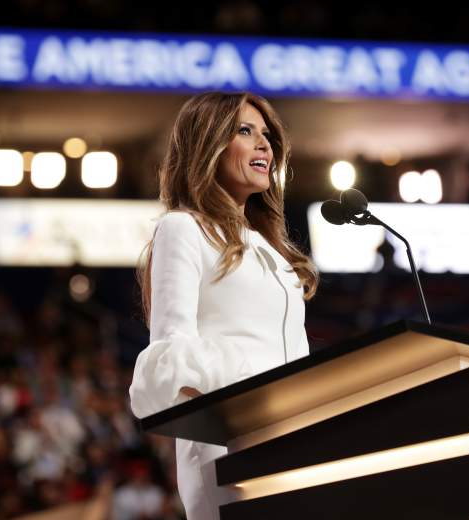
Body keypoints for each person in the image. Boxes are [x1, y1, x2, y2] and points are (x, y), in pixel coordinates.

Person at [128, 91, 319, 520]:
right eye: (245, 131)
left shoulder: (274, 251)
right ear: (209, 144)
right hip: (227, 444)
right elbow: (172, 355)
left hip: (293, 441)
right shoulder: (183, 229)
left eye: (267, 135)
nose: (264, 144)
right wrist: (250, 399)